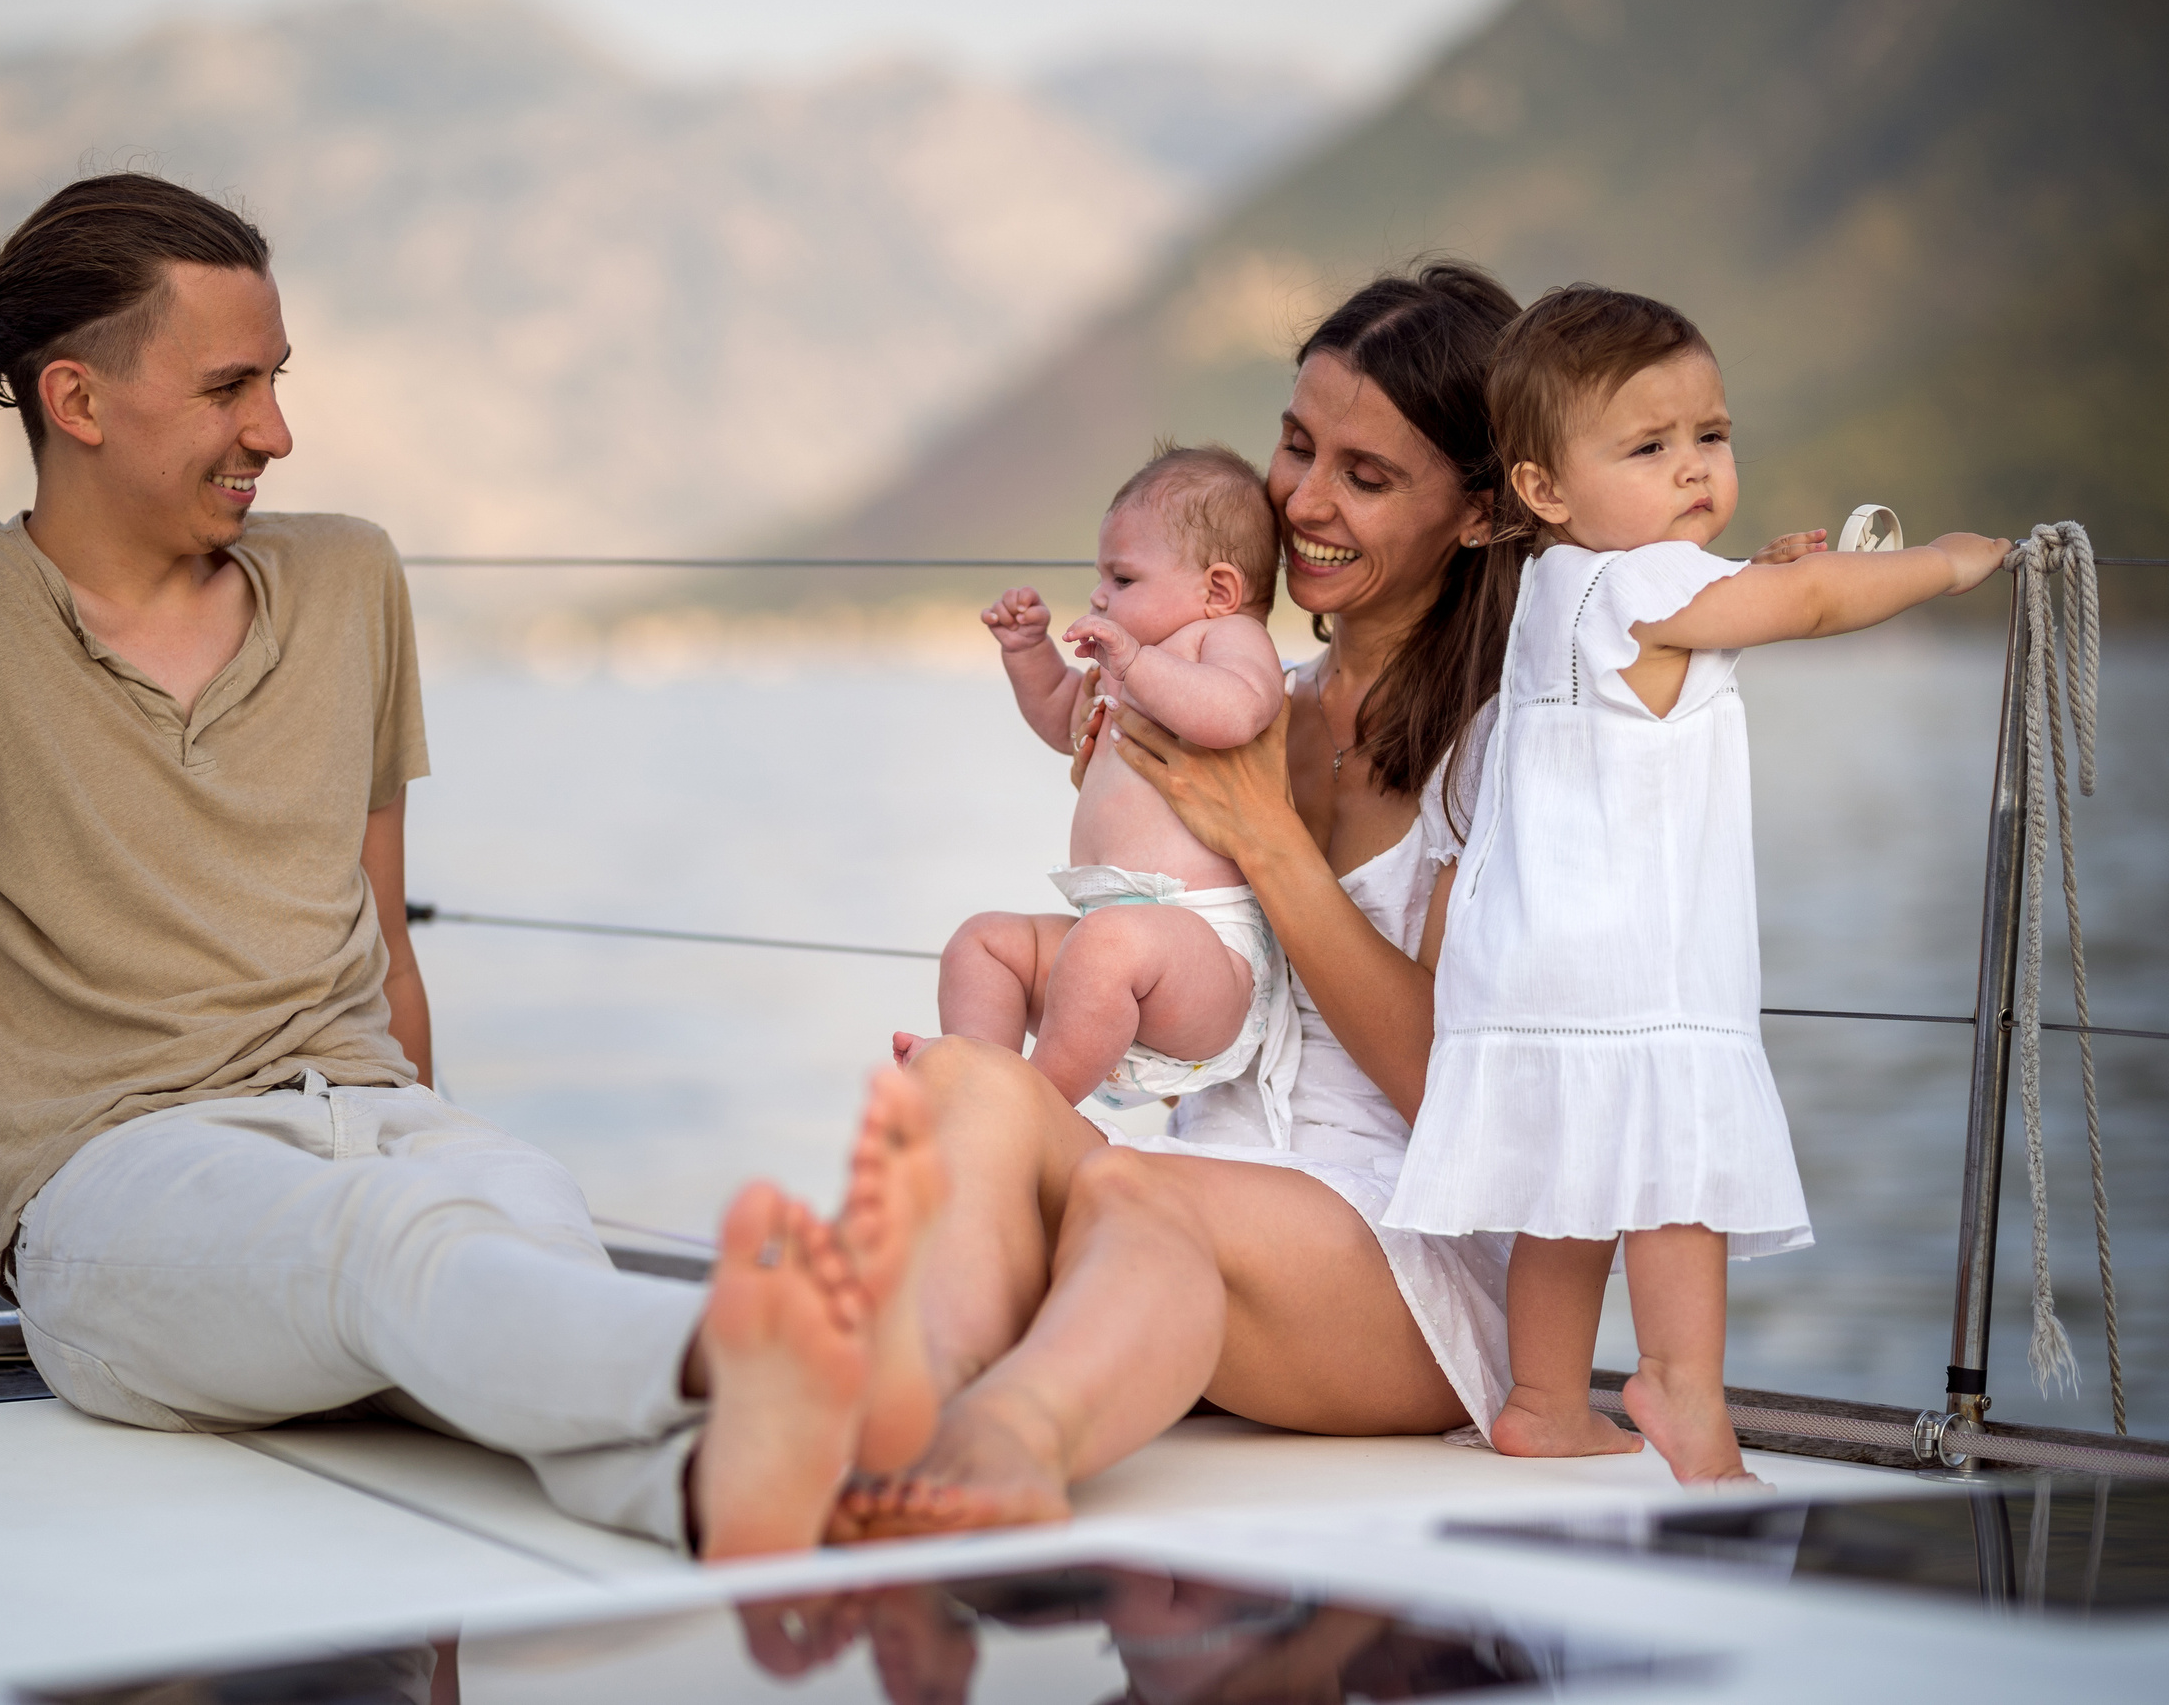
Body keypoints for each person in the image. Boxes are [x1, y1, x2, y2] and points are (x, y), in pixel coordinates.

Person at [0, 172, 943, 1560]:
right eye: (230, 387)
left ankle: (735, 1488)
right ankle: (792, 1351)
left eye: (280, 380)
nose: (277, 431)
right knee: (396, 1251)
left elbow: (386, 948)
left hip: (389, 1130)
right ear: (77, 401)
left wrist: (433, 1151)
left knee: (498, 1241)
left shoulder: (352, 579)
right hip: (118, 1184)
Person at [835, 262, 1533, 1538]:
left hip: (1394, 1270)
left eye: (1366, 478)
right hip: (1194, 1188)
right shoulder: (1224, 687)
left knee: (1129, 1192)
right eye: (1295, 445)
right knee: (960, 1086)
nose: (1304, 503)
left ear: (1480, 514)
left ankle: (1006, 1440)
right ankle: (903, 1404)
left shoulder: (1500, 750)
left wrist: (1269, 843)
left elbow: (1460, 1099)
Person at [1386, 284, 2009, 1482]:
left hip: (1534, 957)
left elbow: (1718, 615)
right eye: (1649, 446)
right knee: (1674, 1163)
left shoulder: (1559, 588)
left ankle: (1542, 1397)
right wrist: (1940, 565)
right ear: (1542, 490)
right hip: (1638, 956)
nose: (1692, 470)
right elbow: (1817, 602)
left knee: (1566, 1180)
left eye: (1710, 438)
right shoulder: (1640, 590)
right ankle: (1677, 1383)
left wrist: (1740, 576)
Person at [933, 444, 1292, 1127]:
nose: (1100, 595)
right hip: (1109, 947)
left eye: (1123, 578)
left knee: (1105, 948)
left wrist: (1138, 663)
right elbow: (1062, 717)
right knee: (981, 944)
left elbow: (1238, 708)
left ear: (1218, 590)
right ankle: (976, 1086)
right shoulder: (1127, 671)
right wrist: (1030, 654)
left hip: (1206, 949)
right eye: (1101, 577)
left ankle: (1026, 1112)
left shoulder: (1223, 639)